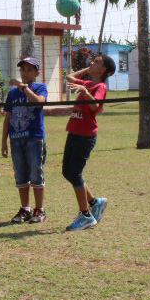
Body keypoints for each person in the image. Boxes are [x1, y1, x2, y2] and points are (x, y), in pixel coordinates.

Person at [62, 54, 115, 231]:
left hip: (85, 136)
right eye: (93, 60)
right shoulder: (87, 83)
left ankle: (85, 215)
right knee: (67, 172)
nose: (93, 62)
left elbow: (95, 107)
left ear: (105, 70)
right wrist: (89, 69)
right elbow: (69, 77)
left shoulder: (100, 86)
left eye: (97, 62)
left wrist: (85, 93)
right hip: (74, 131)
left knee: (75, 173)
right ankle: (94, 202)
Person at [1, 57, 48, 224]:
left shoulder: (40, 88)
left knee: (36, 173)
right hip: (16, 139)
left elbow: (38, 102)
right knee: (20, 175)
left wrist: (23, 87)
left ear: (37, 73)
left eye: (29, 70)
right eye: (23, 69)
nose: (25, 73)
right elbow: (7, 118)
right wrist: (3, 142)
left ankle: (39, 210)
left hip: (34, 139)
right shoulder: (12, 94)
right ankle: (25, 209)